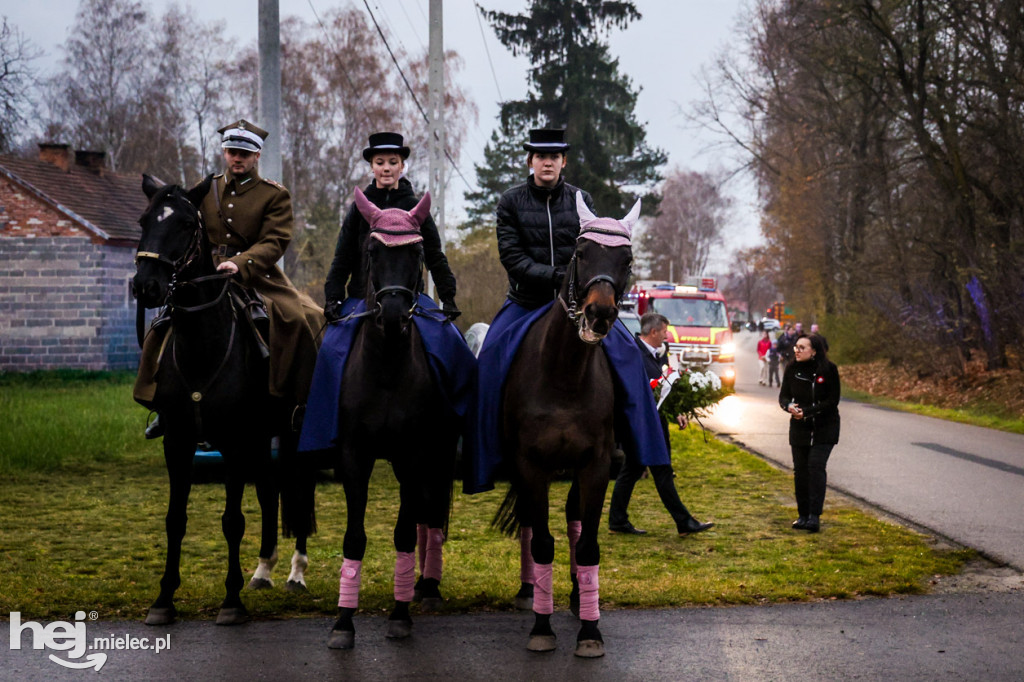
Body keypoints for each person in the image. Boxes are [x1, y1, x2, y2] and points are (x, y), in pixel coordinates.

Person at [466, 127, 669, 494]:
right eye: (541, 157)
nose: (548, 162)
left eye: (554, 157)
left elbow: (593, 252)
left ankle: (636, 446)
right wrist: (557, 276)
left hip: (578, 304)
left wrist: (583, 287)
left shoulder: (580, 198)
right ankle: (486, 454)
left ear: (563, 162)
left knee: (627, 354)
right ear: (530, 161)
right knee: (489, 359)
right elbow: (511, 257)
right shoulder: (510, 201)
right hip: (526, 301)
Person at [135, 118, 323, 428]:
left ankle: (294, 403)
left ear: (256, 157)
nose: (237, 158)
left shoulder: (273, 195)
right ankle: (161, 402)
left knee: (299, 319)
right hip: (203, 273)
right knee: (164, 323)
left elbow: (275, 241)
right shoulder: (204, 189)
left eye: (244, 154)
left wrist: (241, 262)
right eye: (232, 151)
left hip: (256, 275)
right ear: (225, 153)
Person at [298, 131, 473, 454]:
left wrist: (447, 296)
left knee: (454, 346)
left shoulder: (416, 208)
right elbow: (343, 257)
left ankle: (459, 427)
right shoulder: (358, 209)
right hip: (362, 301)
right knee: (330, 352)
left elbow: (434, 255)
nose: (387, 168)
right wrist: (333, 297)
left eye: (393, 162)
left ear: (403, 165)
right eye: (380, 162)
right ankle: (323, 433)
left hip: (410, 300)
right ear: (372, 167)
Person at [607, 313, 713, 536]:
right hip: (640, 425)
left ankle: (617, 520)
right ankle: (684, 522)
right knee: (662, 470)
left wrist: (675, 413)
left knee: (633, 469)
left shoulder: (657, 355)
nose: (667, 335)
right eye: (664, 331)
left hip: (653, 422)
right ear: (653, 332)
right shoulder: (634, 353)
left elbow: (662, 390)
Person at [778, 333, 840, 532]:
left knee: (815, 467)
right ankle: (802, 515)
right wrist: (789, 407)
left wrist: (809, 411)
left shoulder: (829, 370)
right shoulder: (792, 369)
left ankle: (814, 516)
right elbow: (784, 396)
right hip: (799, 429)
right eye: (796, 347)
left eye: (802, 347)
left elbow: (832, 400)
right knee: (800, 471)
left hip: (825, 427)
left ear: (814, 351)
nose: (797, 350)